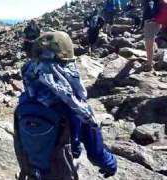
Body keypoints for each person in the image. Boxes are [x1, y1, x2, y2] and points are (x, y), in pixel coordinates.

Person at [14, 31, 117, 180]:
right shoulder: (77, 108)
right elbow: (96, 155)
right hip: (62, 169)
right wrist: (111, 165)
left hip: (31, 168)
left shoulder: (26, 98)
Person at [142, 0, 161, 71]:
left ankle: (149, 65)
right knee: (151, 42)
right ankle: (151, 60)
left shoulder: (150, 2)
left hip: (150, 23)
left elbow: (150, 11)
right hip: (156, 22)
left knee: (149, 45)